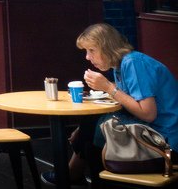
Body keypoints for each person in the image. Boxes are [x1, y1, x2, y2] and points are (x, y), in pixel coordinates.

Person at [42, 23, 178, 186]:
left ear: (108, 47)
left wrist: (108, 87)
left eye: (91, 50)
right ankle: (81, 175)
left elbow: (148, 113)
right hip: (151, 134)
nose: (87, 56)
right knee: (93, 122)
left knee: (99, 124)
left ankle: (80, 175)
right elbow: (128, 102)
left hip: (165, 143)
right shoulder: (120, 66)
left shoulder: (133, 62)